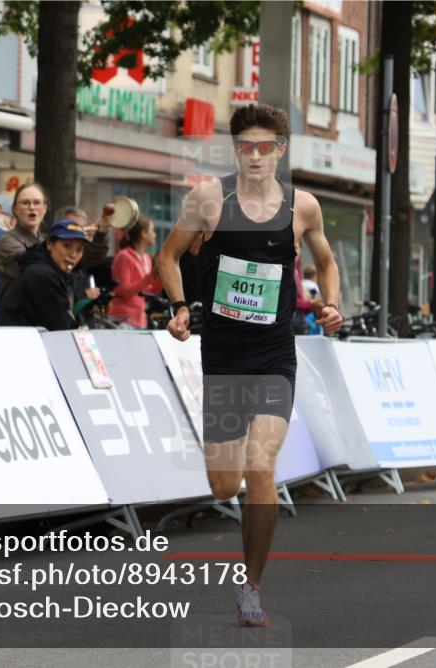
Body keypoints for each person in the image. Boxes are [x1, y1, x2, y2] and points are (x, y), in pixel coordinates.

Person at [157, 104, 342, 627]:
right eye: (246, 146)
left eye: (266, 146)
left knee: (262, 471)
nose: (256, 155)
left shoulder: (302, 207)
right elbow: (168, 257)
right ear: (234, 148)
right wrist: (179, 306)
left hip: (274, 355)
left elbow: (325, 261)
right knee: (223, 485)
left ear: (281, 149)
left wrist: (329, 302)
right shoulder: (209, 200)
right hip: (222, 354)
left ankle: (251, 587)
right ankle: (231, 493)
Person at [0, 220, 86, 330]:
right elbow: (59, 327)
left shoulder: (61, 275)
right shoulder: (41, 274)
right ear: (49, 244)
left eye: (79, 250)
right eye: (67, 246)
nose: (73, 255)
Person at [108, 215, 163, 329]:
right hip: (123, 320)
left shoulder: (146, 258)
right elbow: (123, 291)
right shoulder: (124, 256)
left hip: (140, 320)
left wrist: (163, 278)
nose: (155, 234)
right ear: (143, 233)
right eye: (152, 231)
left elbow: (146, 291)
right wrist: (150, 276)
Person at [0, 182, 48, 301]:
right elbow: (33, 266)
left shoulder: (47, 240)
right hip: (18, 317)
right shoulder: (7, 240)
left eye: (37, 202)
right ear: (15, 209)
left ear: (44, 208)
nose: (31, 207)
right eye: (25, 203)